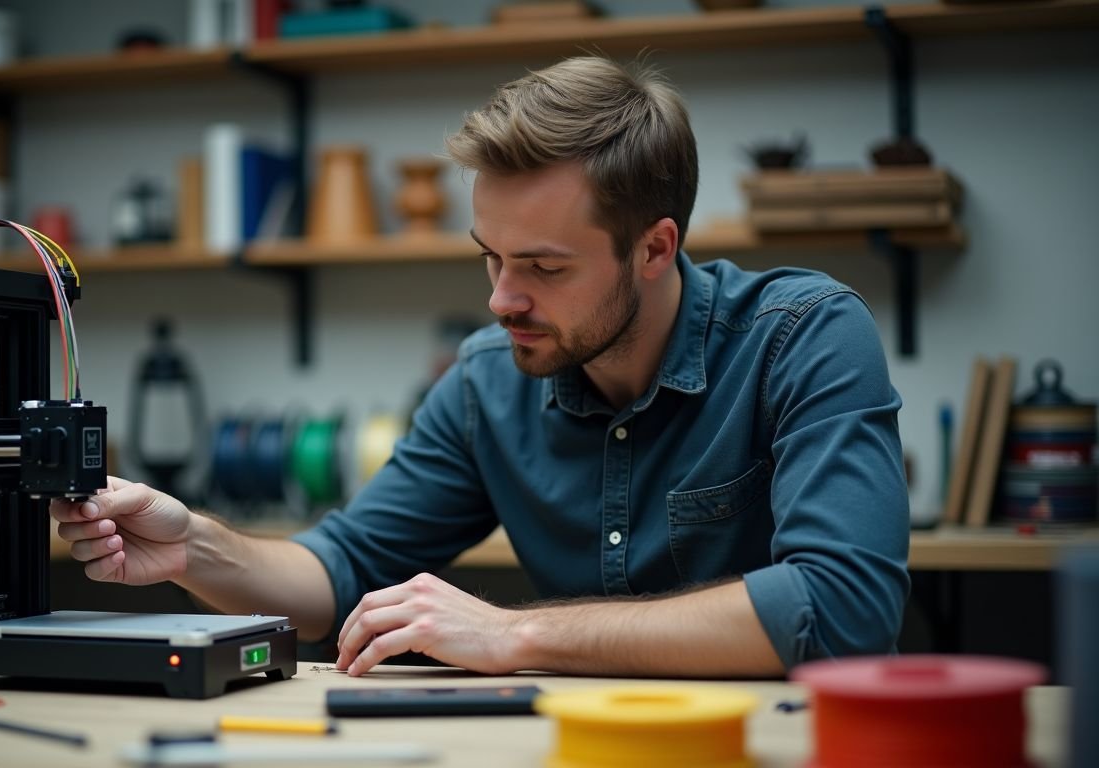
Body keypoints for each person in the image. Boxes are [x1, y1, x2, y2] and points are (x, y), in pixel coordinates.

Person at [52, 56, 909, 678]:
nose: (502, 300)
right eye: (489, 258)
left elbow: (842, 611)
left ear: (655, 248)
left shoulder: (805, 335)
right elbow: (341, 568)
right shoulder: (485, 383)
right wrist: (191, 544)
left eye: (543, 267)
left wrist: (517, 635)